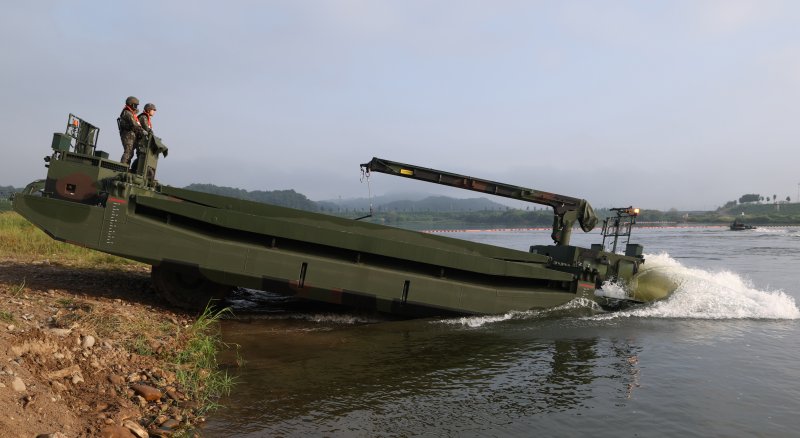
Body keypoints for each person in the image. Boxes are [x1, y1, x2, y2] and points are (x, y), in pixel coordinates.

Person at [118, 96, 147, 165]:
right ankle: (122, 167)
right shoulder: (127, 113)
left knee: (130, 153)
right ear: (130, 104)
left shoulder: (131, 113)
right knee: (128, 152)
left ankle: (126, 166)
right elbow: (134, 124)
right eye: (135, 105)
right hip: (127, 134)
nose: (136, 107)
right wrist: (142, 131)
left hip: (131, 135)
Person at [131, 103, 157, 170]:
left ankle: (135, 170)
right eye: (153, 110)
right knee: (140, 156)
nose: (154, 111)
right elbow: (147, 129)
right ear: (148, 110)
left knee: (141, 156)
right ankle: (134, 170)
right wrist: (153, 136)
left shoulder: (146, 117)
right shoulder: (143, 117)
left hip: (140, 139)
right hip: (138, 139)